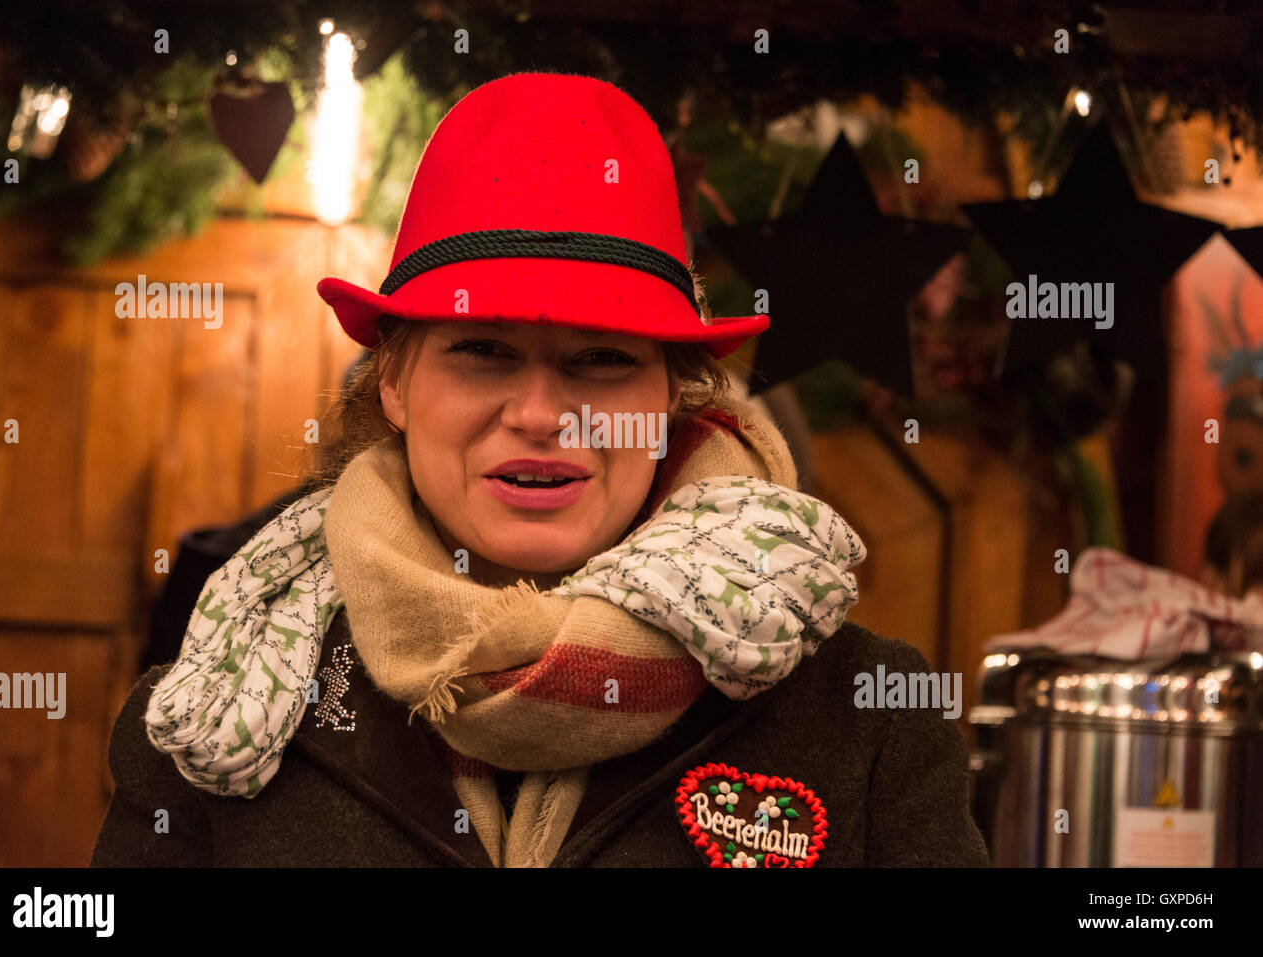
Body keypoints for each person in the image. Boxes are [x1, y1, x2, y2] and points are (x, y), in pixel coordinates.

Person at [92, 72, 988, 868]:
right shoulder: (225, 699)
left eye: (601, 359)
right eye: (483, 350)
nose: (539, 414)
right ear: (394, 382)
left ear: (672, 397)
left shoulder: (870, 721)